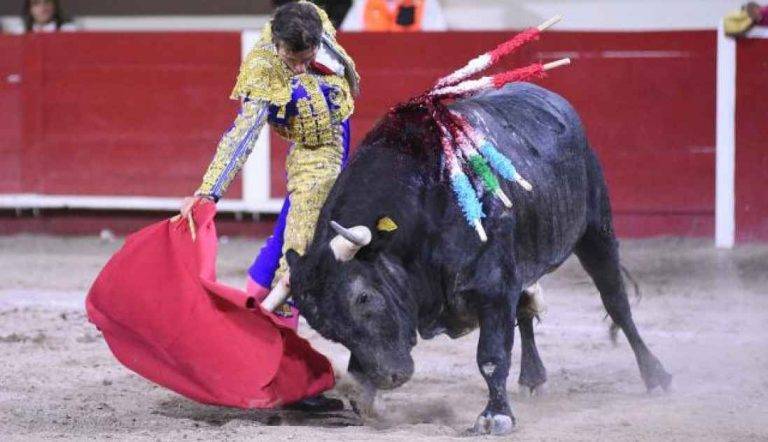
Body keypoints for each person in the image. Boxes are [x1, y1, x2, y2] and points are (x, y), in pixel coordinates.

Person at [180, 1, 359, 326]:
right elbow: (242, 136)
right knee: (302, 232)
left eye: (308, 59)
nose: (301, 69)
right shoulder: (263, 71)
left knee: (304, 213)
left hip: (337, 131)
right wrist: (208, 192)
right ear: (277, 47)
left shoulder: (314, 22)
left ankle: (261, 289)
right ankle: (281, 312)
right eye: (293, 61)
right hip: (311, 148)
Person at [341, 0, 447, 32]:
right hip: (375, 62)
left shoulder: (426, 3)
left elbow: (437, 43)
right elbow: (349, 42)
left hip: (412, 61)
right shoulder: (364, 3)